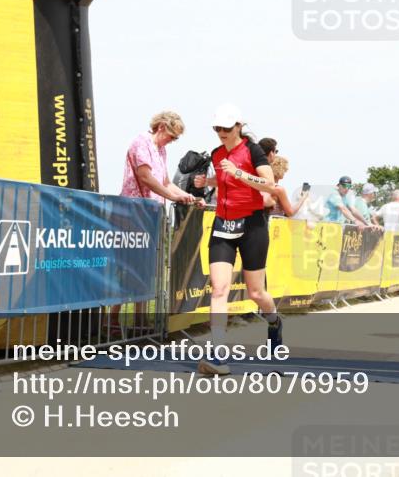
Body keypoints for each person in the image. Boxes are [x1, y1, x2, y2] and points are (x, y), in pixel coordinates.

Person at [199, 104, 283, 376]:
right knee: (219, 289)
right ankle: (217, 354)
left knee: (256, 292)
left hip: (252, 224)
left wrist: (237, 172)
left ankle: (274, 321)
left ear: (238, 126)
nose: (221, 133)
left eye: (226, 128)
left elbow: (269, 185)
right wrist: (207, 182)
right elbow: (224, 182)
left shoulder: (253, 150)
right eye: (217, 128)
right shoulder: (216, 154)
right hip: (223, 223)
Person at [116, 111, 201, 335]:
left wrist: (186, 196)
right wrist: (172, 196)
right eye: (173, 136)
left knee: (145, 270)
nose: (172, 142)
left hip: (149, 215)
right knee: (127, 268)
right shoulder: (140, 142)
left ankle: (140, 321)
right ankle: (113, 321)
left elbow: (164, 182)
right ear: (162, 127)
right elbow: (145, 177)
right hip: (133, 212)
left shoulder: (160, 149)